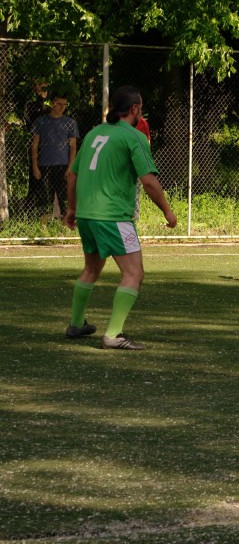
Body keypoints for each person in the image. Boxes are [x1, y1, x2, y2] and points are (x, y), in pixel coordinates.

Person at [63, 86, 177, 350]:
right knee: (134, 273)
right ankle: (113, 334)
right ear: (135, 109)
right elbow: (148, 181)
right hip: (114, 218)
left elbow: (72, 174)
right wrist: (168, 211)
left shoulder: (94, 134)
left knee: (92, 269)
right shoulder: (133, 136)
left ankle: (76, 324)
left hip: (88, 216)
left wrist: (71, 209)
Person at [30, 94, 79, 223]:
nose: (62, 107)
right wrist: (35, 166)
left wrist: (71, 167)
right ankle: (43, 227)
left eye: (65, 105)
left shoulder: (70, 123)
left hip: (63, 165)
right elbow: (34, 145)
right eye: (59, 104)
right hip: (44, 165)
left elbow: (73, 147)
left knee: (64, 198)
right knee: (44, 199)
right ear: (52, 103)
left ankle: (66, 226)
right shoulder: (40, 121)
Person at [21, 80, 50, 214]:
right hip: (36, 146)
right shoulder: (30, 105)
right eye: (39, 88)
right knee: (35, 178)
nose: (41, 90)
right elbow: (31, 125)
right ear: (34, 89)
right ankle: (31, 210)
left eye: (44, 87)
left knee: (50, 179)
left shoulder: (52, 106)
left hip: (52, 146)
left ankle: (48, 211)